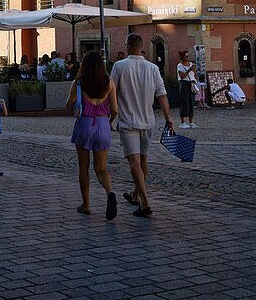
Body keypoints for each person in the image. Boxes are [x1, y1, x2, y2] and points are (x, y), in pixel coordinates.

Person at [110, 33, 174, 218]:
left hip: (128, 121)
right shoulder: (153, 68)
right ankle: (135, 195)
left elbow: (111, 92)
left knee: (134, 162)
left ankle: (145, 202)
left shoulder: (120, 66)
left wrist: (111, 115)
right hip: (148, 121)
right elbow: (162, 94)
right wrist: (168, 117)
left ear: (128, 46)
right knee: (143, 160)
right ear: (141, 47)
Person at [65, 51, 118, 219]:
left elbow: (68, 107)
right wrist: (109, 121)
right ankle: (109, 192)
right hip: (102, 124)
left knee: (84, 167)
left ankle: (86, 205)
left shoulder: (78, 84)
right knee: (101, 168)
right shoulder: (109, 83)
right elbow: (115, 110)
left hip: (84, 124)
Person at [177, 50, 197, 129]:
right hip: (184, 84)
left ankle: (191, 121)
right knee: (184, 102)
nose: (188, 58)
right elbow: (182, 76)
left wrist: (194, 70)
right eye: (186, 56)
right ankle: (182, 122)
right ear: (182, 57)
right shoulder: (180, 66)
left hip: (191, 83)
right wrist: (189, 70)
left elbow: (194, 75)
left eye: (188, 56)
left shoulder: (190, 64)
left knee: (191, 102)